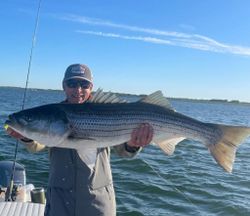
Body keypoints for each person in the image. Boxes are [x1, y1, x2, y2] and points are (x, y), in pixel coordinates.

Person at [6, 63, 153, 216]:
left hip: (97, 200)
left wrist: (132, 145)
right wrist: (27, 137)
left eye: (84, 84)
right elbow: (38, 145)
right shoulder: (53, 112)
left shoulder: (107, 108)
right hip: (60, 200)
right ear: (64, 86)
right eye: (72, 84)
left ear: (91, 87)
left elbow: (123, 152)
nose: (78, 90)